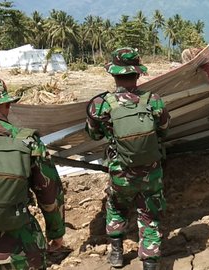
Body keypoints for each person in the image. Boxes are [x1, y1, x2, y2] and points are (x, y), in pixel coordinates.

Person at [85, 47, 170, 270]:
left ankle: (116, 254)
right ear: (138, 73)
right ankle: (150, 263)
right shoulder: (154, 101)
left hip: (120, 172)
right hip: (151, 171)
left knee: (116, 205)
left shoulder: (100, 104)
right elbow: (164, 130)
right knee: (150, 214)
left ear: (113, 74)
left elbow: (94, 134)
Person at [0, 75, 65, 269]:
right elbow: (49, 194)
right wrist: (56, 233)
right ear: (6, 106)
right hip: (18, 250)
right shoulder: (27, 141)